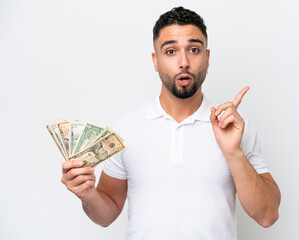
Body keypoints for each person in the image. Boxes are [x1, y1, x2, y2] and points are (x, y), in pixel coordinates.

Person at [61, 6, 281, 239]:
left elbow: (267, 216)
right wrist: (87, 195)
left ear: (207, 58)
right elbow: (106, 213)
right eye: (170, 52)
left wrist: (234, 152)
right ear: (155, 61)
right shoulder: (126, 127)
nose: (184, 62)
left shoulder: (236, 126)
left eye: (194, 49)